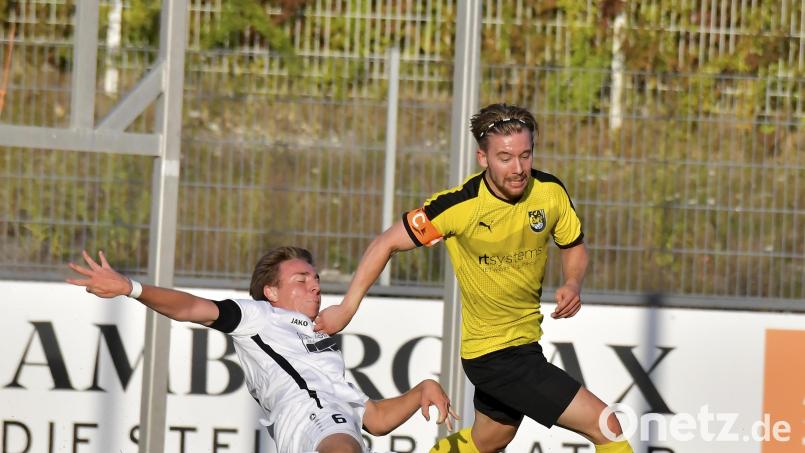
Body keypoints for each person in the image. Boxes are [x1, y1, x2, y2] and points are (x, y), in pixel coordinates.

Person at [314, 103, 634, 453]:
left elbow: (573, 246)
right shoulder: (459, 206)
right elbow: (385, 243)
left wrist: (572, 281)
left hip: (524, 343)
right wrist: (347, 308)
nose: (518, 169)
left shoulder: (549, 192)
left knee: (490, 439)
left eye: (525, 156)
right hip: (494, 354)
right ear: (483, 158)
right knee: (608, 426)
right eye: (505, 158)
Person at [67, 247, 457, 453]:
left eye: (316, 279)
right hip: (310, 422)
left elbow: (371, 418)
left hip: (332, 426)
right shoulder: (258, 315)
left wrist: (420, 390)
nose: (315, 286)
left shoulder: (322, 343)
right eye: (302, 279)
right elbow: (190, 308)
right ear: (271, 291)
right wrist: (131, 288)